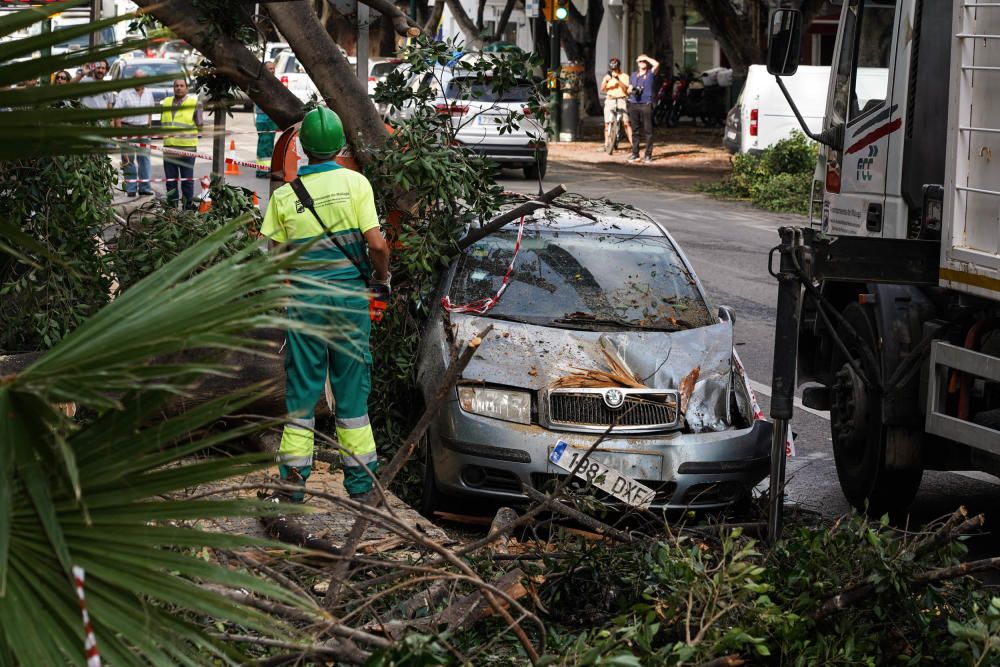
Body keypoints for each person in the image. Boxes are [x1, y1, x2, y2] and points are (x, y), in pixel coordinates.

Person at [260, 107, 391, 503]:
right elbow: (377, 245)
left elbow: (274, 258)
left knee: (302, 392)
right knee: (352, 395)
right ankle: (362, 486)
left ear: (300, 148)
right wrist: (381, 280)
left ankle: (293, 483)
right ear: (340, 145)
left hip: (304, 305)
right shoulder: (357, 184)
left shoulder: (284, 196)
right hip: (350, 304)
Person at [161, 79, 204, 209]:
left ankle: (187, 207)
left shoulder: (194, 103)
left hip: (187, 148)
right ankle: (172, 208)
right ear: (173, 88)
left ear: (186, 88)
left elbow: (200, 124)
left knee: (187, 180)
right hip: (169, 148)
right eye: (176, 86)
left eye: (182, 86)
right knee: (171, 181)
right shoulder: (166, 102)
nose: (179, 88)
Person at [113, 70, 155, 198]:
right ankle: (131, 188)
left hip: (143, 131)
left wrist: (149, 126)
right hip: (127, 129)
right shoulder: (124, 94)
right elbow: (117, 115)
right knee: (128, 160)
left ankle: (145, 188)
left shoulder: (149, 93)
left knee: (145, 160)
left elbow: (150, 112)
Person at [627, 54, 660, 164]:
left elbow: (657, 64)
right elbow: (629, 88)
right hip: (634, 103)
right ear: (637, 63)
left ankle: (648, 154)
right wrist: (631, 89)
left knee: (648, 130)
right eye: (640, 61)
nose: (642, 63)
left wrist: (646, 58)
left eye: (644, 61)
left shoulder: (650, 73)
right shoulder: (633, 75)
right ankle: (635, 153)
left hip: (646, 103)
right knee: (635, 131)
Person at [600, 58, 631, 150]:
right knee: (607, 123)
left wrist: (618, 79)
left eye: (615, 68)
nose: (613, 70)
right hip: (610, 99)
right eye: (612, 68)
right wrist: (606, 81)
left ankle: (633, 144)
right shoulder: (607, 76)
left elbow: (626, 89)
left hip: (621, 99)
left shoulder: (624, 76)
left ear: (618, 67)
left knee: (626, 122)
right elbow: (602, 89)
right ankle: (606, 144)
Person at [255, 61, 279, 179]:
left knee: (264, 144)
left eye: (273, 68)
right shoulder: (265, 83)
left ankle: (262, 169)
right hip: (266, 118)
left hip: (265, 118)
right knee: (266, 145)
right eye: (269, 69)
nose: (272, 71)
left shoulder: (263, 81)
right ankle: (263, 171)